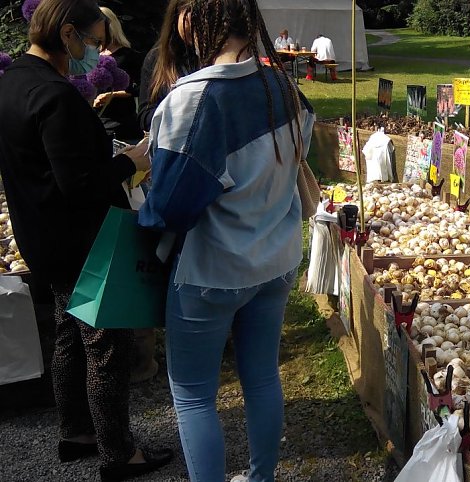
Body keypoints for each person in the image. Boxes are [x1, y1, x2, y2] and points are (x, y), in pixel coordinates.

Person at [138, 0, 313, 480]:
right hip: (274, 263)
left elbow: (170, 209)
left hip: (210, 271)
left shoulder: (192, 100)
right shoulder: (284, 86)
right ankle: (261, 477)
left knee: (193, 395)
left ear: (192, 19)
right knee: (261, 376)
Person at [0, 1, 173, 481]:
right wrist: (131, 162)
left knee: (67, 334)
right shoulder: (54, 95)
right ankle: (119, 454)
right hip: (81, 241)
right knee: (105, 345)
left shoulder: (12, 81)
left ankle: (76, 430)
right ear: (68, 34)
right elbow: (79, 182)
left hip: (39, 234)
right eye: (94, 41)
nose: (96, 52)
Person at [137, 0, 198, 133]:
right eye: (191, 18)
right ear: (175, 15)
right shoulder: (158, 57)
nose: (196, 28)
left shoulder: (218, 56)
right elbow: (144, 116)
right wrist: (180, 114)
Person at [93, 6, 144, 142]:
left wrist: (112, 95)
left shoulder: (128, 56)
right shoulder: (88, 56)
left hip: (121, 128)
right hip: (95, 127)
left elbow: (141, 88)